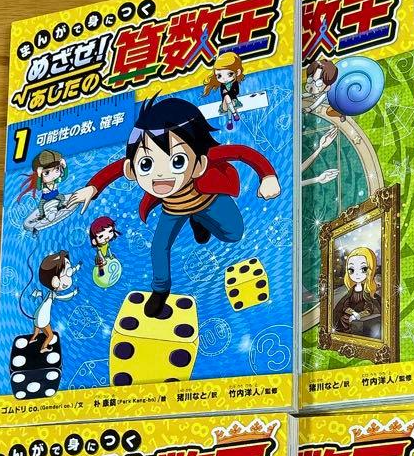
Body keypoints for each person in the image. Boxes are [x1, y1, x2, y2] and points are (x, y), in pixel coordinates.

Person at [69, 95, 280, 318]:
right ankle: (160, 290)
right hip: (173, 209)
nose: (161, 175)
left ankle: (198, 219)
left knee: (234, 234)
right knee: (158, 247)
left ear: (199, 164)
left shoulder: (203, 155)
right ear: (132, 170)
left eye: (177, 161)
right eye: (146, 164)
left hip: (209, 200)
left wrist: (267, 176)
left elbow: (243, 152)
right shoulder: (136, 158)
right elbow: (115, 169)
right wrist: (92, 188)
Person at [29, 250, 78, 348]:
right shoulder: (52, 294)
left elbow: (69, 271)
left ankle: (32, 339)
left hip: (37, 315)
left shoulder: (47, 292)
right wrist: (73, 293)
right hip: (43, 318)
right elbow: (63, 298)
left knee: (36, 331)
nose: (68, 278)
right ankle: (43, 348)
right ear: (55, 281)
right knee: (50, 336)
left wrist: (77, 267)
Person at [332, 247, 381, 335]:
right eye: (352, 270)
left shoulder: (366, 291)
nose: (357, 274)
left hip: (362, 318)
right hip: (349, 316)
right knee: (343, 319)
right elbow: (345, 305)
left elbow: (369, 308)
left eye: (363, 269)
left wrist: (358, 315)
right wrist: (353, 313)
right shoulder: (351, 290)